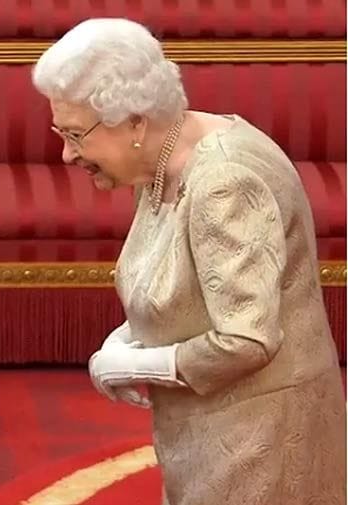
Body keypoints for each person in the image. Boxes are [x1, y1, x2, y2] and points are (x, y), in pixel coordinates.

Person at [32, 18, 346, 505]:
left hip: (259, 441)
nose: (67, 155)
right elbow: (171, 281)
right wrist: (122, 348)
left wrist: (138, 364)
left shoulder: (223, 180)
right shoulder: (159, 160)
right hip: (206, 426)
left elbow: (246, 337)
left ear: (135, 120)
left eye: (76, 135)